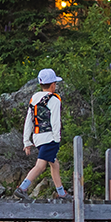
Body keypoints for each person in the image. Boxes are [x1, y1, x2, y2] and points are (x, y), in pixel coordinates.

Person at [16, 68, 68, 200]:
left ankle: (61, 193)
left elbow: (29, 120)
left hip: (37, 137)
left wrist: (26, 141)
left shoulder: (34, 98)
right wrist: (57, 139)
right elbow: (55, 121)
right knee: (41, 165)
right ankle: (22, 188)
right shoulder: (55, 99)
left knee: (54, 163)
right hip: (49, 137)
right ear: (52, 85)